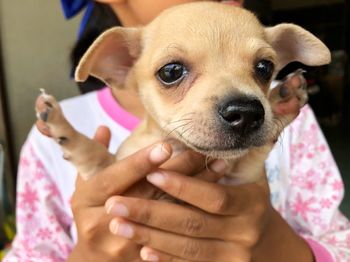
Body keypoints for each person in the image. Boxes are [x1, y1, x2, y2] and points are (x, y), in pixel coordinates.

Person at [4, 0, 350, 261]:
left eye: (260, 68)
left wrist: (276, 244)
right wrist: (88, 254)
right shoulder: (47, 146)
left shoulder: (294, 125)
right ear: (122, 64)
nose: (243, 106)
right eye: (173, 72)